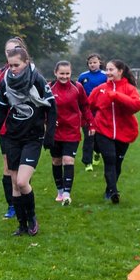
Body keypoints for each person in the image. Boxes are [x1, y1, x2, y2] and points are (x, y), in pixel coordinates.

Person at [0, 46, 57, 236]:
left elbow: (51, 107)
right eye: (10, 65)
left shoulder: (38, 80)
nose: (13, 69)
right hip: (13, 137)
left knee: (23, 182)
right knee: (15, 184)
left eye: (16, 65)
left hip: (33, 138)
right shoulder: (5, 81)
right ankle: (22, 225)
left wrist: (50, 135)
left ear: (26, 63)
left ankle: (32, 217)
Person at [87, 59, 140, 204]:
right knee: (110, 160)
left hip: (125, 132)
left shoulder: (129, 89)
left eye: (111, 69)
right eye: (107, 69)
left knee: (117, 163)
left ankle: (109, 190)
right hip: (103, 131)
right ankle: (113, 191)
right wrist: (91, 124)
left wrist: (116, 96)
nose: (108, 72)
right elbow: (88, 107)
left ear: (120, 71)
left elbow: (137, 105)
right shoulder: (100, 89)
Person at [0, 37, 26, 218]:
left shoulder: (31, 73)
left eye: (15, 49)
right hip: (5, 129)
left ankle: (24, 201)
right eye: (8, 51)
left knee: (23, 168)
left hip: (26, 128)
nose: (11, 53)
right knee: (9, 167)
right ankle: (12, 205)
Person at [49, 61, 89, 206]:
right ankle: (59, 191)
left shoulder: (77, 87)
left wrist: (90, 123)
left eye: (67, 73)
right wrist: (49, 122)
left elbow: (85, 106)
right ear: (56, 73)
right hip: (55, 132)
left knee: (68, 160)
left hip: (72, 131)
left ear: (71, 73)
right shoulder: (49, 88)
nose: (64, 76)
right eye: (62, 73)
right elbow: (43, 108)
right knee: (56, 161)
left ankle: (67, 194)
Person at [77, 53, 107, 171]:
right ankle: (87, 162)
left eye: (95, 62)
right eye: (90, 63)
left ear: (100, 62)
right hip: (86, 111)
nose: (92, 64)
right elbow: (77, 91)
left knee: (99, 137)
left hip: (101, 110)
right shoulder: (83, 76)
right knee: (88, 137)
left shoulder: (105, 76)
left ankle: (97, 152)